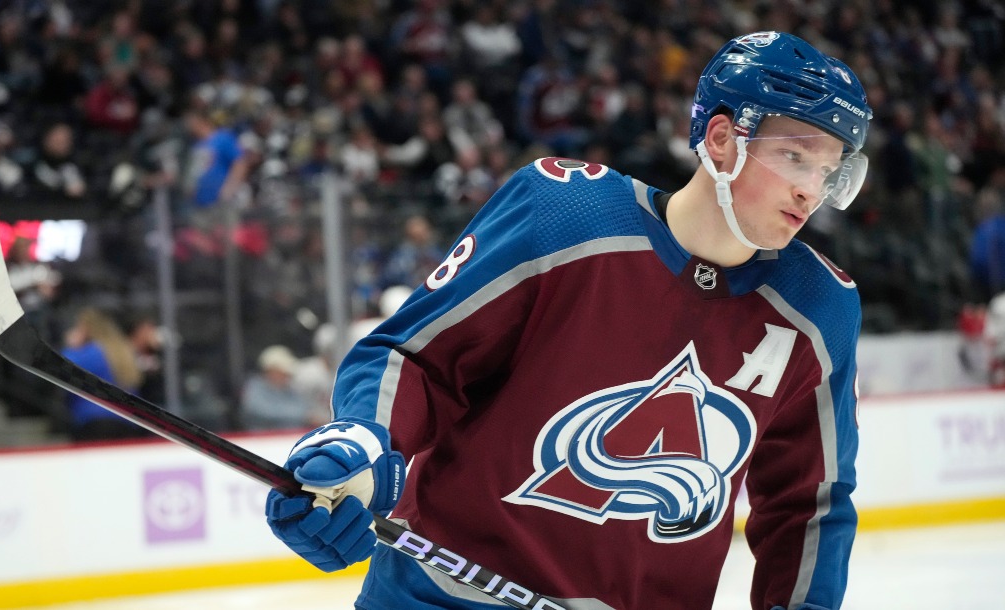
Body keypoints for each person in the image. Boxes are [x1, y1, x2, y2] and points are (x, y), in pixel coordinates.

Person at [266, 31, 871, 610]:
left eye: (829, 171)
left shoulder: (818, 309)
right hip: (443, 598)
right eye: (795, 157)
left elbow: (811, 502)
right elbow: (415, 357)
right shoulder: (566, 216)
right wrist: (365, 436)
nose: (810, 192)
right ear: (721, 140)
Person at [61, 308, 148, 442]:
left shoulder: (93, 352)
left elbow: (62, 367)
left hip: (94, 422)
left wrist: (72, 346)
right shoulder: (123, 350)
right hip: (127, 422)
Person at [240, 345, 322, 431]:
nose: (288, 376)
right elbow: (262, 411)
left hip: (290, 438)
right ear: (271, 371)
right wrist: (304, 416)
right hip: (259, 441)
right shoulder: (254, 387)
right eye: (283, 372)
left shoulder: (289, 390)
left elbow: (304, 407)